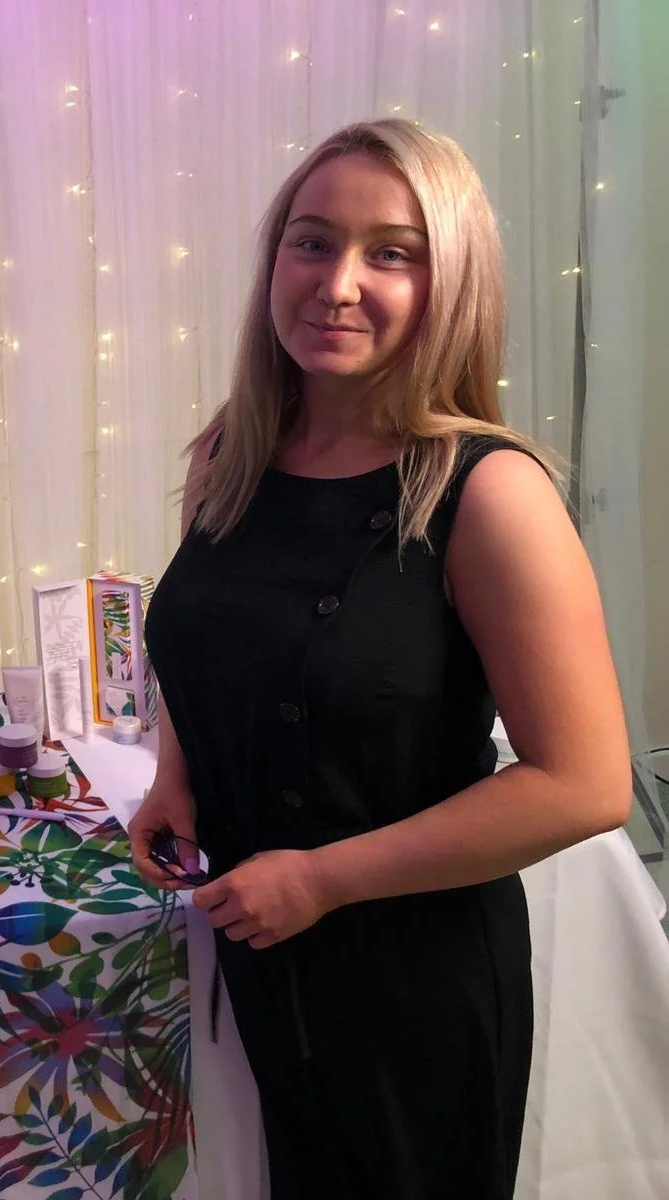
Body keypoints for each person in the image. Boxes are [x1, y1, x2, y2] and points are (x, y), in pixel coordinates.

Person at [130, 119, 632, 1200]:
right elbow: (210, 637)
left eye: (390, 252)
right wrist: (176, 774)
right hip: (267, 947)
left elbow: (585, 785)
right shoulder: (229, 452)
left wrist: (319, 880)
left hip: (413, 977)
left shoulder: (490, 493)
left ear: (448, 282)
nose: (337, 283)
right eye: (311, 242)